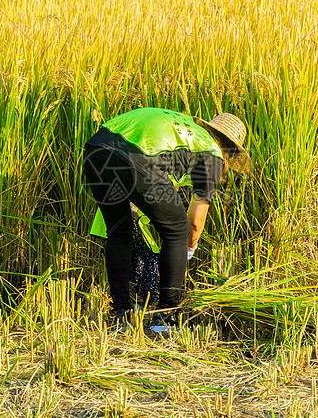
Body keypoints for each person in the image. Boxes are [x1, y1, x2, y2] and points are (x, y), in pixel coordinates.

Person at [82, 108, 251, 335]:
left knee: (119, 232)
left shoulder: (185, 132)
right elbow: (194, 222)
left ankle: (121, 313)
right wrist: (188, 247)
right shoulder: (213, 154)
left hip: (97, 150)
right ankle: (166, 316)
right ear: (230, 152)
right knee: (176, 232)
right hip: (139, 156)